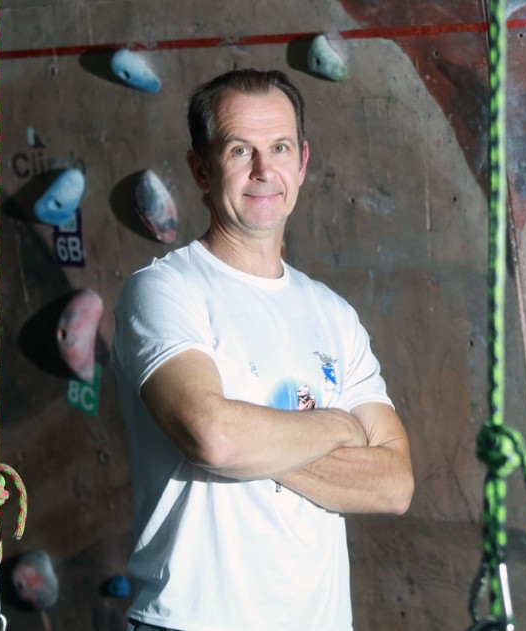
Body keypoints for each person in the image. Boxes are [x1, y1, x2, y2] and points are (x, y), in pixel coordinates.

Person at [112, 69, 414, 631]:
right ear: (200, 169)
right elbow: (215, 437)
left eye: (277, 148)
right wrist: (338, 426)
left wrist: (265, 442)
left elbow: (394, 484)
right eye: (238, 150)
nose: (262, 171)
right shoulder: (162, 290)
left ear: (301, 161)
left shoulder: (334, 314)